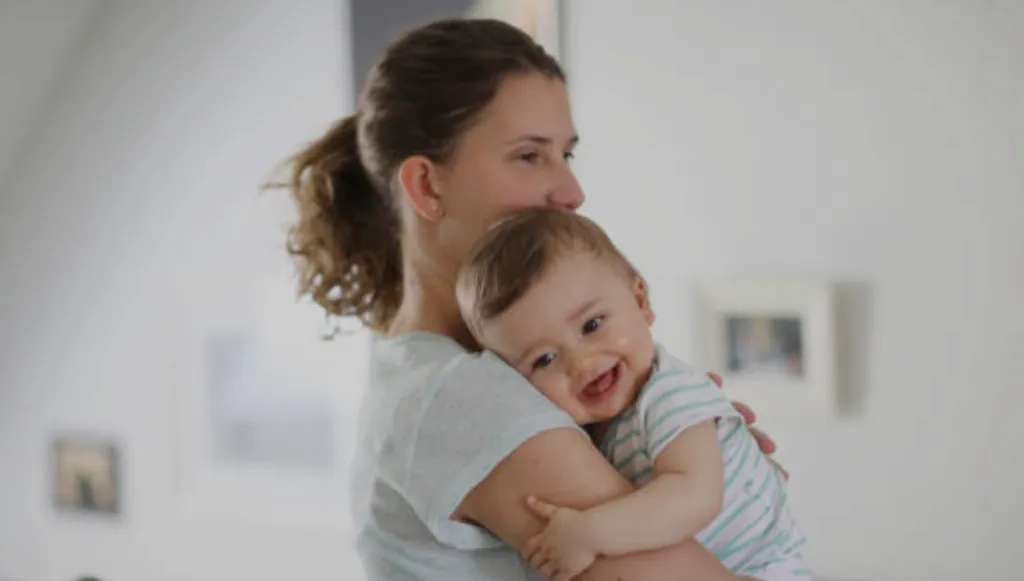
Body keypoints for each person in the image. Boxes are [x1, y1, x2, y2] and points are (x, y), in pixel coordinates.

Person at [274, 17, 785, 581]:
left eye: (567, 154)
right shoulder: (463, 395)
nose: (571, 191)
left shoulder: (430, 370)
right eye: (529, 156)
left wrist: (689, 457)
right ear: (426, 186)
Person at [456, 208, 810, 581]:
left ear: (640, 301)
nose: (581, 363)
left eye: (592, 325)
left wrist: (590, 533)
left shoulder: (671, 393)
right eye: (544, 359)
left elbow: (695, 498)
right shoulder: (586, 429)